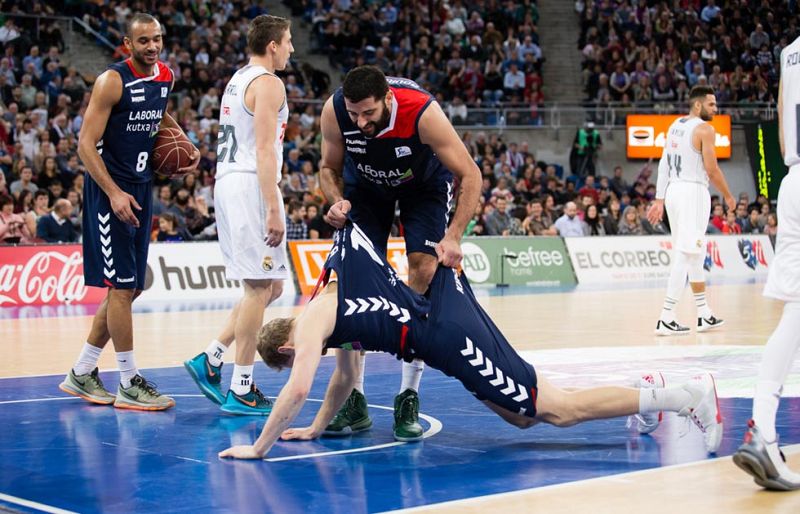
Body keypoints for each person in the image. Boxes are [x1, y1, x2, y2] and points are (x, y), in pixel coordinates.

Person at [217, 221, 724, 460]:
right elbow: (344, 381)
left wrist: (261, 448)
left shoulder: (310, 332)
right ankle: (640, 388)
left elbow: (303, 388)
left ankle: (683, 395)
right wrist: (311, 431)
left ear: (285, 349)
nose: (299, 362)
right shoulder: (332, 279)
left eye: (286, 363)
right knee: (518, 416)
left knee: (555, 410)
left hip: (448, 333)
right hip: (438, 307)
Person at [317, 65, 481, 440]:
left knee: (422, 271)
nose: (360, 121)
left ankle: (409, 394)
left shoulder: (422, 111)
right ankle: (354, 397)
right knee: (351, 276)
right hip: (366, 187)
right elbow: (328, 167)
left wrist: (454, 236)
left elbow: (471, 174)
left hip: (421, 186)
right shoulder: (335, 110)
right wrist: (337, 200)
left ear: (387, 100)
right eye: (355, 113)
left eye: (369, 113)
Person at [58, 13, 199, 410]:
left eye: (157, 39)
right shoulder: (111, 81)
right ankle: (128, 381)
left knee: (133, 287)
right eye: (143, 41)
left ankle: (83, 372)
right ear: (127, 42)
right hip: (110, 192)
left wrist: (182, 142)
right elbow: (86, 144)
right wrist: (114, 193)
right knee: (120, 288)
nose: (152, 47)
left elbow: (159, 114)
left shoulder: (165, 76)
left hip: (142, 186)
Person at [183, 15, 293, 416]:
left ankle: (211, 359)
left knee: (270, 288)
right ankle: (241, 387)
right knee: (258, 289)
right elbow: (264, 149)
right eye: (288, 41)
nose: (292, 48)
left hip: (228, 182)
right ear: (272, 46)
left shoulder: (237, 79)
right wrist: (272, 207)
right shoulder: (268, 83)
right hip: (249, 185)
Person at [733, 35, 800, 490]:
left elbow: (780, 126)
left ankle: (763, 429)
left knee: (797, 311)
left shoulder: (790, 51)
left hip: (793, 179)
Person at [646, 85, 735, 337]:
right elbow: (712, 169)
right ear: (698, 105)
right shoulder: (705, 129)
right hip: (693, 193)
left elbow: (664, 164)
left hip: (674, 192)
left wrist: (659, 199)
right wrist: (728, 195)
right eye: (711, 105)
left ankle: (704, 313)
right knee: (686, 255)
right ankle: (666, 316)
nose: (715, 109)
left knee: (694, 253)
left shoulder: (676, 124)